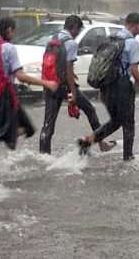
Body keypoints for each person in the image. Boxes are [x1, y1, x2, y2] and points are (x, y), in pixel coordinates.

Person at [77, 13, 139, 160]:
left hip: (106, 87)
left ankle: (87, 142)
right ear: (136, 25)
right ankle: (128, 158)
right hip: (122, 86)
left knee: (116, 121)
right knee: (128, 123)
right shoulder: (132, 43)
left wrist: (102, 90)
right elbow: (134, 71)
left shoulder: (111, 39)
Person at [38, 15, 113, 154]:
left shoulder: (53, 38)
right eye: (78, 30)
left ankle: (43, 155)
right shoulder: (71, 43)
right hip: (64, 87)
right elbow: (68, 68)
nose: (78, 33)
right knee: (90, 109)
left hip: (49, 84)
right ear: (74, 28)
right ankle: (101, 143)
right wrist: (72, 92)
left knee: (48, 124)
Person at [0, 17, 59, 149]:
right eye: (13, 31)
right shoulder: (9, 48)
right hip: (7, 97)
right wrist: (47, 83)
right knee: (26, 129)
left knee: (8, 129)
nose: (14, 34)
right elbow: (21, 76)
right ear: (9, 30)